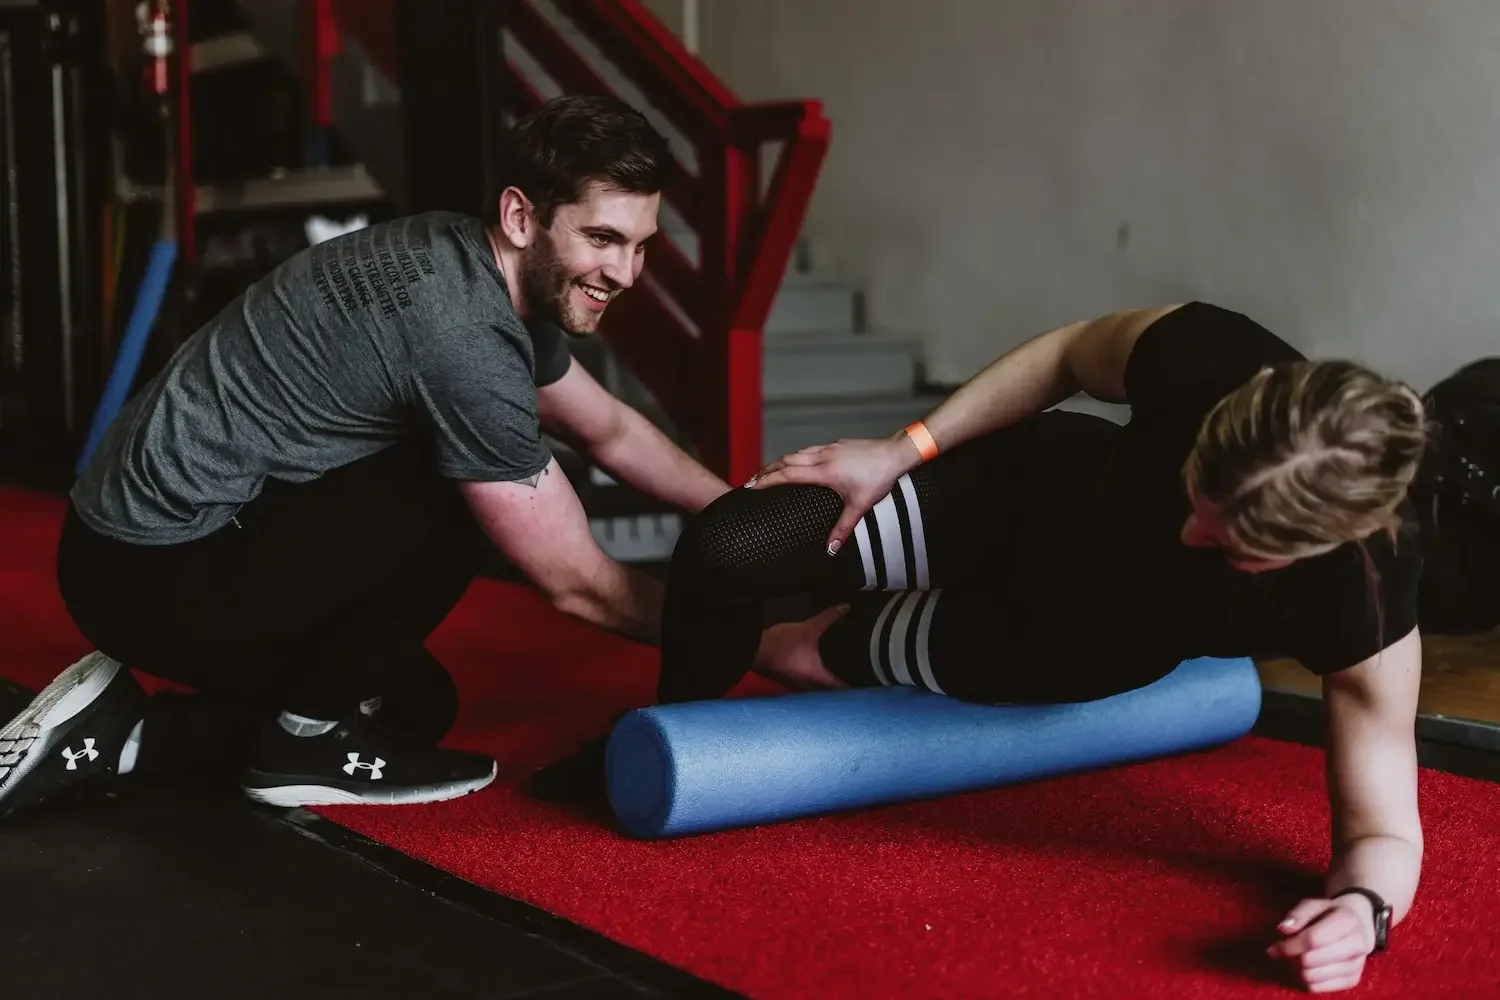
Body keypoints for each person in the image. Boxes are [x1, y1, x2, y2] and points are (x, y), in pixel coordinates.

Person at [540, 301, 1428, 994]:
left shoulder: (1364, 597)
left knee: (803, 653)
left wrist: (1362, 909)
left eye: (1231, 545)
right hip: (1025, 494)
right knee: (729, 548)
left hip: (1062, 642)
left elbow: (1383, 829)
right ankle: (664, 724)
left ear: (1314, 550)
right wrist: (901, 450)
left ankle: (779, 660)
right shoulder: (1213, 357)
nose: (1190, 533)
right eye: (1198, 489)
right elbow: (1069, 354)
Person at [0, 94, 732, 819]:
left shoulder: (466, 259)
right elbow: (577, 580)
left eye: (641, 245)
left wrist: (745, 511)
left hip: (142, 541)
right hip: (153, 572)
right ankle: (297, 744)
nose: (627, 272)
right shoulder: (465, 338)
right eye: (603, 238)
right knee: (475, 477)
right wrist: (745, 634)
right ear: (520, 217)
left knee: (410, 705)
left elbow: (610, 430)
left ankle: (116, 736)